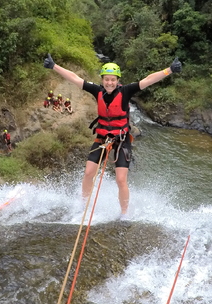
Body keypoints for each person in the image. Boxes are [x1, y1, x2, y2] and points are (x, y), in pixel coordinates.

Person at [43, 53, 182, 220]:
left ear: (117, 80)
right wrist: (54, 66)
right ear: (102, 79)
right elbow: (75, 78)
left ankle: (124, 213)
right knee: (88, 173)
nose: (109, 83)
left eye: (113, 80)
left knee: (121, 179)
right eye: (107, 79)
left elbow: (148, 80)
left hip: (121, 140)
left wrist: (169, 70)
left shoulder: (126, 91)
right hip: (102, 138)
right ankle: (83, 203)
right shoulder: (97, 91)